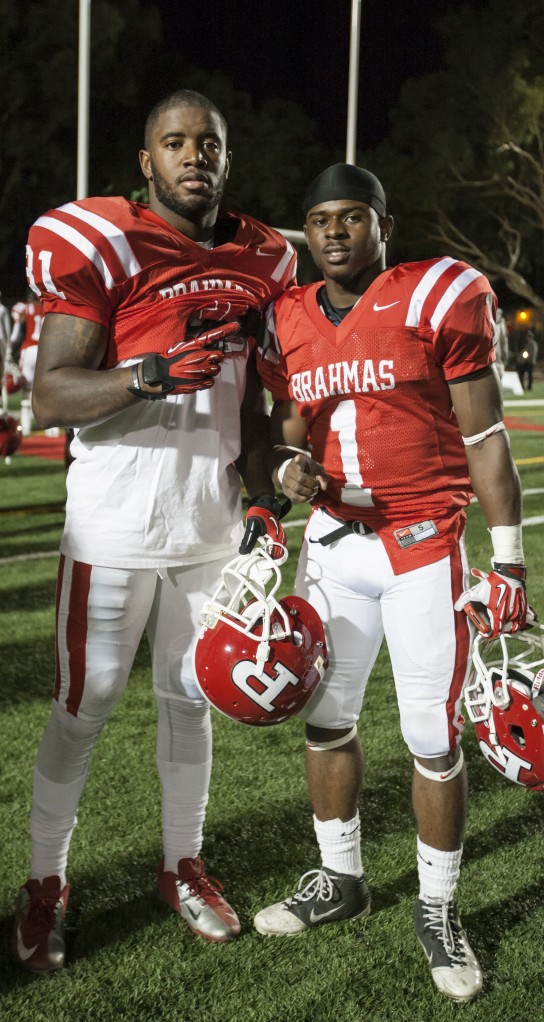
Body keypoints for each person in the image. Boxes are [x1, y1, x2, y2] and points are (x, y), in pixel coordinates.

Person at [12, 89, 296, 974]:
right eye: (174, 143)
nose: (193, 157)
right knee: (83, 705)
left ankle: (182, 865)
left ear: (226, 157)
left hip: (210, 528)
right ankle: (44, 883)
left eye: (207, 144)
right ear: (147, 161)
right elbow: (51, 393)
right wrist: (145, 375)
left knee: (189, 704)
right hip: (111, 526)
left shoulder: (262, 261)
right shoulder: (108, 243)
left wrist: (262, 493)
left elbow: (248, 403)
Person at [252, 164, 529, 1004]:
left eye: (351, 217)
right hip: (333, 544)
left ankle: (439, 905)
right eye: (319, 220)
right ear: (308, 231)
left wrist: (509, 560)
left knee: (431, 737)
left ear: (382, 224)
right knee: (326, 720)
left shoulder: (435, 295)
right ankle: (341, 878)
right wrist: (285, 473)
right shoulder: (289, 317)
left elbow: (483, 437)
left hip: (419, 543)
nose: (334, 232)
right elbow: (284, 436)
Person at [9, 289, 45, 435]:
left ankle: (26, 428)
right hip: (44, 351)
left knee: (26, 392)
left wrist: (11, 351)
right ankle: (52, 429)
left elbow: (17, 332)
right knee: (45, 390)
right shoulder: (45, 307)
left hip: (29, 349)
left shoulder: (22, 307)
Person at [492, 306, 509, 378]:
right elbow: (504, 341)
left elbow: (504, 341)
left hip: (494, 354)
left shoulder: (487, 321)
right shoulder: (500, 325)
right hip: (496, 354)